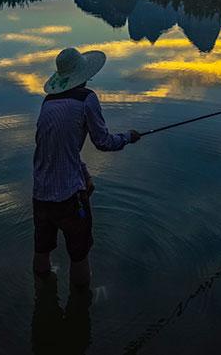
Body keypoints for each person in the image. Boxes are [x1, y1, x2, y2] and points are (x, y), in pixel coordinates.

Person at [32, 46, 140, 287]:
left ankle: (43, 293)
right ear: (84, 74)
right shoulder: (86, 99)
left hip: (40, 194)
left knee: (41, 250)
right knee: (79, 256)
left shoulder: (47, 103)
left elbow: (57, 150)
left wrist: (85, 174)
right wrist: (128, 137)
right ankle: (82, 302)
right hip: (70, 196)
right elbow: (102, 142)